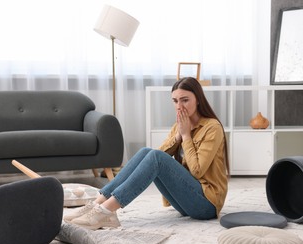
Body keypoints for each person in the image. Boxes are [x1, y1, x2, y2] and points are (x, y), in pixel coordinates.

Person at [64, 77, 230, 230]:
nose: (179, 106)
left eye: (185, 100)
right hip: (185, 201)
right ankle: (97, 204)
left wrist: (186, 136)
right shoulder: (179, 125)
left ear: (198, 100)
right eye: (175, 101)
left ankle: (106, 211)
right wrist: (178, 136)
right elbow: (155, 158)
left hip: (206, 205)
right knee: (147, 152)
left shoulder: (212, 127)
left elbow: (197, 171)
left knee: (155, 157)